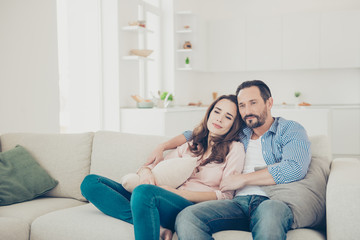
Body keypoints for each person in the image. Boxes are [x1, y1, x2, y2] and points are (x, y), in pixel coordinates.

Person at [146, 80, 311, 240]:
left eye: (253, 102)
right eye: (242, 105)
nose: (247, 110)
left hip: (272, 201)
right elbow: (198, 132)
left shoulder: (289, 129)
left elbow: (295, 167)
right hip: (236, 203)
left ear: (269, 103)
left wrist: (242, 179)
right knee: (187, 216)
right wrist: (162, 146)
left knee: (270, 218)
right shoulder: (241, 131)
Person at [80, 94, 246, 240]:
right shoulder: (191, 144)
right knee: (91, 183)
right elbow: (153, 167)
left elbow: (226, 196)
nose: (219, 119)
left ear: (234, 124)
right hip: (159, 197)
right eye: (217, 111)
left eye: (228, 117)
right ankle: (158, 228)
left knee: (143, 192)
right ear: (209, 113)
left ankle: (147, 209)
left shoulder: (235, 149)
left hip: (189, 207)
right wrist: (146, 173)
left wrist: (178, 193)